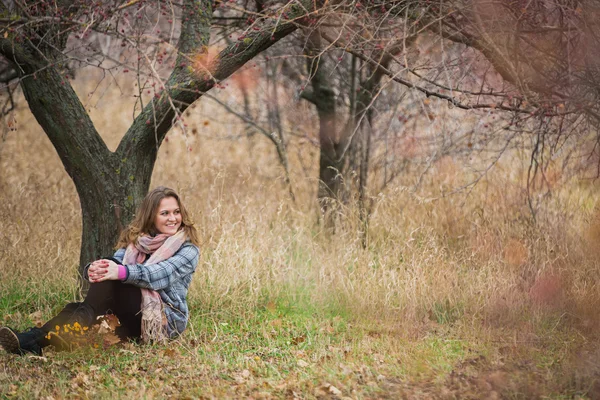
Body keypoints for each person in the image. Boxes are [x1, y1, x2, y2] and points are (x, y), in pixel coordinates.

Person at [0, 186, 200, 355]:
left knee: (114, 280)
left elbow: (157, 275)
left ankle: (73, 326)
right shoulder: (139, 242)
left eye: (176, 212)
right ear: (151, 217)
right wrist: (94, 269)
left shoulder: (187, 249)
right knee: (76, 304)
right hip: (133, 314)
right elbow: (115, 263)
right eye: (165, 213)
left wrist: (118, 272)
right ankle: (34, 341)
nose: (173, 218)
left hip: (163, 321)